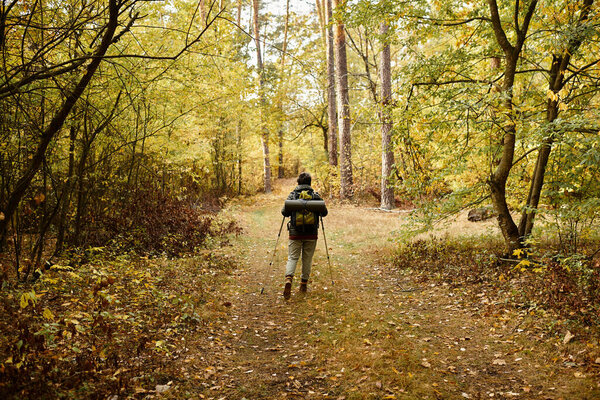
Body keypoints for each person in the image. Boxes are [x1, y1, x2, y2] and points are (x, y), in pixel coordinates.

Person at [281, 172, 328, 299]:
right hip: (311, 234)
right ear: (309, 183)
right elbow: (324, 213)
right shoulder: (315, 195)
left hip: (295, 233)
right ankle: (303, 285)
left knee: (292, 257)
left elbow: (284, 212)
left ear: (298, 183)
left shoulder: (292, 195)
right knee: (307, 259)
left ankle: (289, 279)